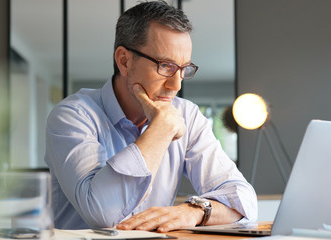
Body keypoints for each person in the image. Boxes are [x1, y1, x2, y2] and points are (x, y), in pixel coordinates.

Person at [45, 0, 257, 233]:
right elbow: (102, 213)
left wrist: (194, 211)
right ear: (124, 61)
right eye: (165, 66)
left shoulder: (187, 115)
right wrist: (161, 129)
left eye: (183, 69)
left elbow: (244, 198)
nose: (176, 84)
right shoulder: (72, 116)